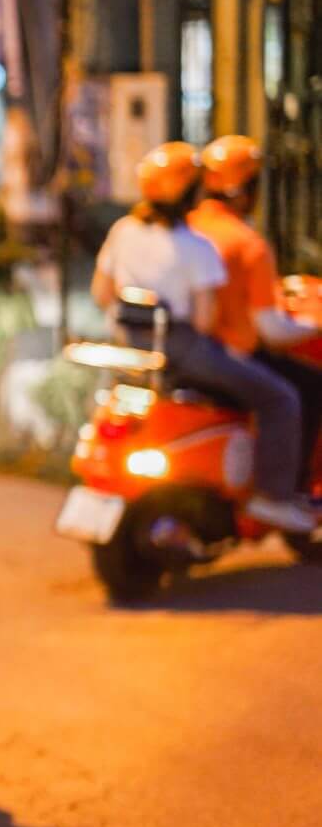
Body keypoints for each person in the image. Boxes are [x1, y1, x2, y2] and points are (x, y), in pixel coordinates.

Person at [91, 142, 314, 533]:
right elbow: (207, 318)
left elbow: (102, 293)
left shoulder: (123, 232)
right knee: (281, 397)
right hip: (186, 349)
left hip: (134, 346)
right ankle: (273, 497)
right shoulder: (201, 247)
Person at [189, 135, 322, 487]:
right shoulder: (247, 244)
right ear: (246, 189)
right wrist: (315, 325)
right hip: (229, 355)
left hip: (193, 351)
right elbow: (271, 329)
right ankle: (284, 489)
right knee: (301, 390)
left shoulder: (187, 229)